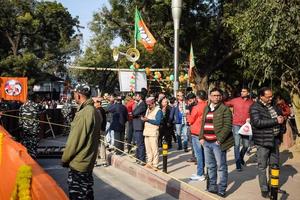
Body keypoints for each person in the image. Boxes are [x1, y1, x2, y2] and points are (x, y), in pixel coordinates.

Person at [61, 83, 101, 200]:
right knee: (87, 194)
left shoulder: (84, 113)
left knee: (78, 195)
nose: (74, 97)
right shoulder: (93, 111)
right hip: (87, 162)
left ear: (78, 95)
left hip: (79, 165)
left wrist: (64, 159)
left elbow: (74, 142)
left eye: (74, 94)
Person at [250, 87, 286, 198]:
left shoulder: (274, 106)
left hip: (275, 140)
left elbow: (281, 117)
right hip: (263, 141)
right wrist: (276, 121)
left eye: (271, 96)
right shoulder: (255, 107)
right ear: (261, 96)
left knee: (274, 165)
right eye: (268, 97)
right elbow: (257, 123)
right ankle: (264, 189)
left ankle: (273, 187)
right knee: (262, 166)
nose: (271, 98)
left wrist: (282, 125)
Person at [199, 88, 234, 197]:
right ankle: (212, 186)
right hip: (206, 142)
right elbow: (203, 123)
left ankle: (222, 188)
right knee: (210, 165)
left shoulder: (225, 109)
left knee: (221, 166)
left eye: (218, 95)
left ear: (221, 96)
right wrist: (201, 137)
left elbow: (228, 126)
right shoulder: (207, 108)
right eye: (214, 95)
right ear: (210, 96)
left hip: (217, 143)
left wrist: (220, 140)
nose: (216, 97)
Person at [225, 87, 254, 171]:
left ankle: (240, 158)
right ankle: (238, 165)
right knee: (237, 145)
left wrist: (250, 119)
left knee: (246, 145)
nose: (242, 92)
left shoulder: (251, 103)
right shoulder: (235, 100)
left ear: (248, 93)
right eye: (241, 91)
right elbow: (225, 104)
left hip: (246, 126)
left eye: (244, 91)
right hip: (236, 125)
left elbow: (253, 113)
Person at [187, 91, 207, 181]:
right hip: (204, 131)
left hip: (196, 131)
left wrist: (187, 114)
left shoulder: (196, 107)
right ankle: (201, 172)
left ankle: (200, 173)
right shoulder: (207, 106)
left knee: (199, 154)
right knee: (203, 153)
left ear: (198, 98)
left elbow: (190, 120)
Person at [19, 93, 43, 159]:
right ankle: (33, 156)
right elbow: (42, 112)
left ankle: (27, 157)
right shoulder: (36, 106)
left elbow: (20, 119)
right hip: (34, 128)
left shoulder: (22, 106)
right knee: (33, 142)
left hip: (25, 128)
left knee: (26, 142)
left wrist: (21, 127)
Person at [142, 97, 163, 171]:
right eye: (148, 105)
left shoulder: (158, 110)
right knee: (148, 149)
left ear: (153, 103)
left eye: (150, 105)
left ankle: (155, 164)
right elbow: (147, 118)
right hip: (146, 132)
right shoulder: (148, 109)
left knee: (154, 149)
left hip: (153, 132)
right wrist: (144, 119)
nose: (149, 106)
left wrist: (148, 120)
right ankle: (149, 163)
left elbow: (158, 122)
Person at [132, 92, 147, 164]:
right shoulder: (138, 104)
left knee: (140, 144)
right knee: (138, 143)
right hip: (136, 125)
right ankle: (138, 158)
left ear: (140, 97)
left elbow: (134, 113)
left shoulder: (143, 104)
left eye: (136, 96)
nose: (135, 97)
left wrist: (134, 113)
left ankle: (142, 159)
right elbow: (134, 112)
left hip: (139, 126)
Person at [93, 97, 107, 166]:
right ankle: (103, 161)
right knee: (102, 145)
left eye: (95, 102)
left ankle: (96, 161)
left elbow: (100, 120)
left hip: (99, 130)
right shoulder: (102, 110)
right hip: (102, 129)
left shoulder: (98, 110)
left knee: (97, 145)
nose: (94, 104)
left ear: (98, 103)